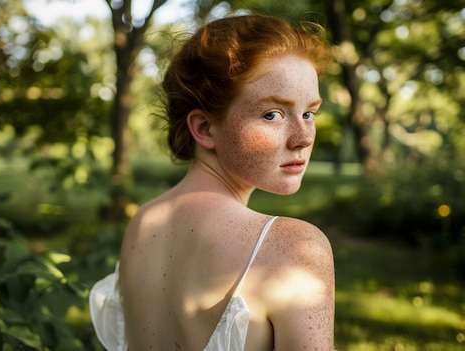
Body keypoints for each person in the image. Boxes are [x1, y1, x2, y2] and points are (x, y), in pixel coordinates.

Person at [90, 14, 335, 351]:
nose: (304, 137)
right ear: (204, 129)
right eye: (272, 114)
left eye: (309, 113)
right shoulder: (294, 248)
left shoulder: (144, 222)